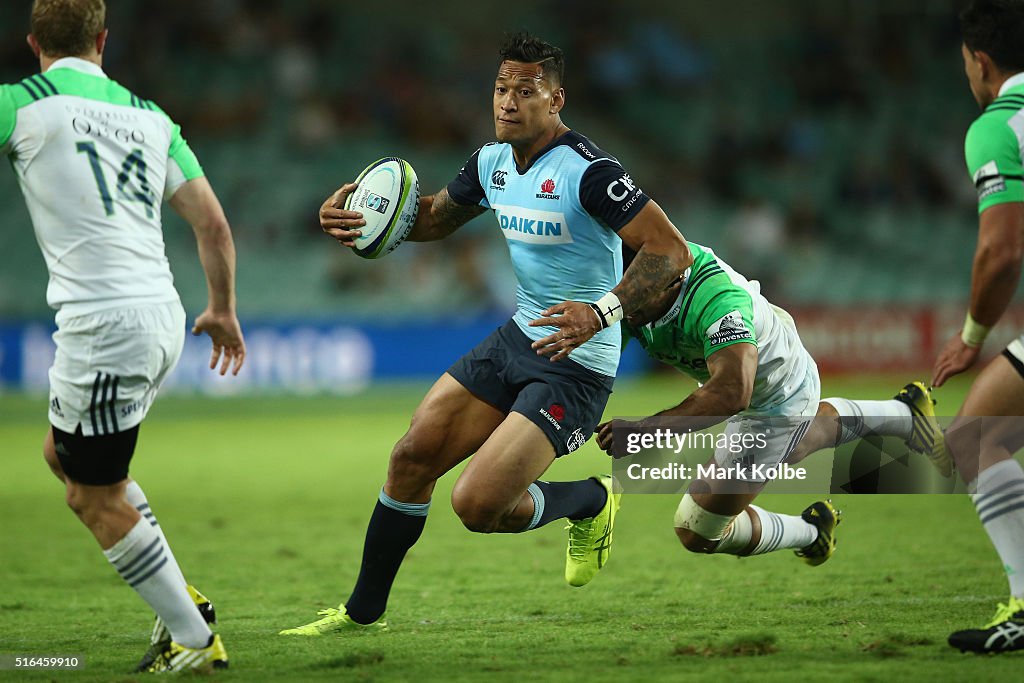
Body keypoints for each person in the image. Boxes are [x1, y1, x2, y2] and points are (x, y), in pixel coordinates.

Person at [281, 31, 692, 636]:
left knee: (477, 507)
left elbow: (669, 250)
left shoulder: (591, 174)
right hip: (517, 338)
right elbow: (429, 218)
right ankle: (359, 614)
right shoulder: (491, 163)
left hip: (578, 361)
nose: (507, 102)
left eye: (526, 91)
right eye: (501, 88)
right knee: (411, 457)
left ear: (556, 100)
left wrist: (602, 313)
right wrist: (361, 219)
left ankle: (590, 501)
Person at [1, 0, 245, 672]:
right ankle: (180, 598)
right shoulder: (152, 116)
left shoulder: (19, 102)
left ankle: (192, 635)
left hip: (105, 326)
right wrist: (221, 308)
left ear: (31, 43)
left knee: (90, 492)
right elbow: (214, 226)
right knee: (64, 454)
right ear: (103, 40)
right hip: (161, 314)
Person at [595, 241, 948, 562]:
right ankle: (904, 413)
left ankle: (812, 532)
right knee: (796, 444)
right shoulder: (637, 283)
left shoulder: (717, 301)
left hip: (774, 392)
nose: (627, 304)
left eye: (637, 296)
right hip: (763, 354)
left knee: (696, 528)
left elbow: (732, 391)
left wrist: (648, 430)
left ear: (673, 283)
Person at [930, 0, 1024, 654]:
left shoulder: (998, 124)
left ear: (981, 62)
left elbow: (1001, 249)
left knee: (974, 438)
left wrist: (970, 334)